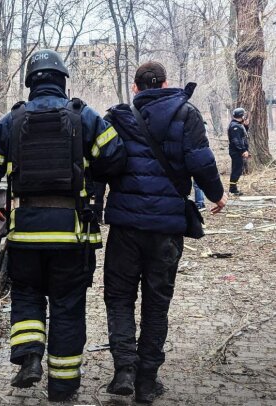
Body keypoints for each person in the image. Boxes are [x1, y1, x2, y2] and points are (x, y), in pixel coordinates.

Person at [0, 49, 126, 402]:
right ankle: (63, 386)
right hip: (71, 235)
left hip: (24, 233)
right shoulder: (83, 116)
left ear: (30, 84)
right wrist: (90, 170)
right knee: (67, 307)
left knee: (26, 296)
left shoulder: (11, 122)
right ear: (62, 80)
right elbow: (116, 157)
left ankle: (29, 359)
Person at [103, 61, 227, 403]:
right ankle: (147, 381)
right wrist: (217, 194)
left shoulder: (119, 118)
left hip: (126, 227)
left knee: (119, 298)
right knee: (156, 305)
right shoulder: (187, 114)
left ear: (136, 87)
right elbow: (201, 161)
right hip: (167, 227)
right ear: (165, 82)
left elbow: (102, 164)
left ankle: (124, 370)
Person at [228, 108, 250, 195]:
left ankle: (233, 189)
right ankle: (232, 190)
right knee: (236, 170)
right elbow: (236, 140)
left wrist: (246, 126)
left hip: (237, 151)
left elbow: (242, 135)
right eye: (243, 115)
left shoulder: (237, 124)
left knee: (237, 169)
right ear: (241, 116)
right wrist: (243, 150)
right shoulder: (235, 126)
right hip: (236, 152)